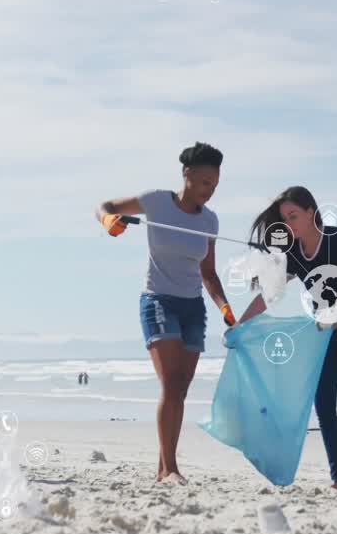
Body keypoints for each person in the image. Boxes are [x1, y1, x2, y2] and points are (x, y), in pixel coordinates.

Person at [95, 142, 233, 484]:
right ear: (186, 174)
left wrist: (226, 308)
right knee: (171, 384)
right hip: (158, 301)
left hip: (193, 307)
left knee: (180, 390)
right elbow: (105, 206)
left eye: (214, 186)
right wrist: (109, 221)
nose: (209, 192)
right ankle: (170, 469)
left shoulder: (210, 220)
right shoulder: (157, 201)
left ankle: (163, 469)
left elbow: (209, 274)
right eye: (204, 183)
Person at [238, 186, 337, 495]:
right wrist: (239, 326)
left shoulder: (336, 238)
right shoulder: (292, 255)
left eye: (294, 216)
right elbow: (269, 297)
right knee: (324, 408)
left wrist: (335, 310)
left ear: (311, 212)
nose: (290, 224)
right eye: (284, 220)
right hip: (324, 332)